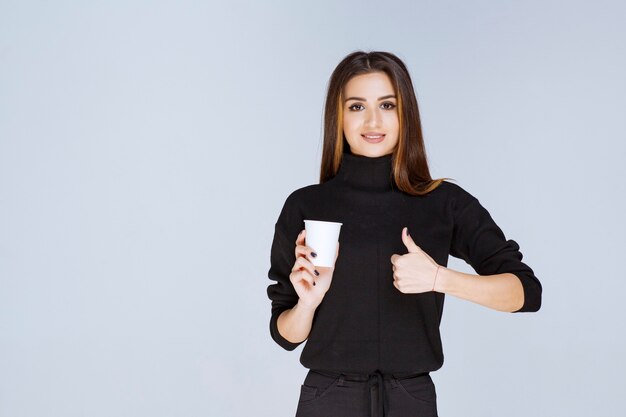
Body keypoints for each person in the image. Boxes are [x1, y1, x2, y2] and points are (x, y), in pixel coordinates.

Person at [266, 50, 542, 417]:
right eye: (356, 107)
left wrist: (439, 278)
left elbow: (525, 293)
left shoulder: (444, 202)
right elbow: (285, 334)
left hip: (411, 399)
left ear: (405, 114)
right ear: (339, 117)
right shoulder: (306, 206)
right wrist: (308, 303)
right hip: (328, 398)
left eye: (387, 105)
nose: (373, 120)